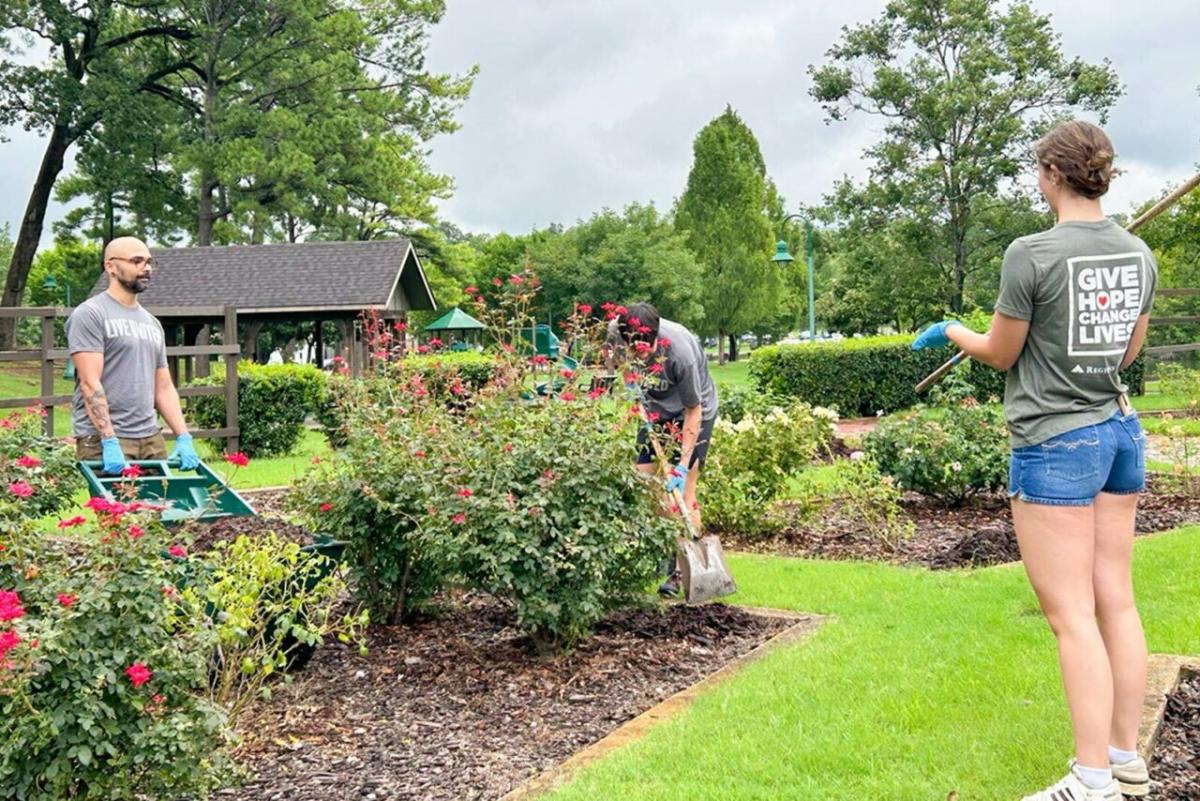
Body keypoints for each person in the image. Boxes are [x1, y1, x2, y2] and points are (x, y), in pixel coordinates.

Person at [913, 121, 1156, 801]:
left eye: (1037, 170)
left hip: (1056, 442)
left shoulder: (1031, 253)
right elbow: (1127, 356)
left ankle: (1092, 779)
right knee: (1117, 600)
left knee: (1072, 614)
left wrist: (951, 330)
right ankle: (1124, 756)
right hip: (1120, 435)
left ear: (1052, 173)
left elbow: (1000, 352)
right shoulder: (1140, 255)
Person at [609, 303, 719, 597]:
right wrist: (630, 384)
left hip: (694, 412)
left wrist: (682, 465)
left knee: (684, 493)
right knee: (645, 481)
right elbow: (621, 364)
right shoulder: (616, 333)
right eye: (636, 349)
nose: (641, 354)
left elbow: (694, 410)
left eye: (647, 348)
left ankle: (684, 571)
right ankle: (669, 554)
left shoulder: (680, 354)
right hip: (653, 410)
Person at [68, 236, 201, 474]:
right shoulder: (90, 314)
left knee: (161, 510)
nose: (146, 268)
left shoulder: (151, 323)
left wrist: (183, 436)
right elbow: (90, 383)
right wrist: (108, 440)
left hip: (150, 436)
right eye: (137, 261)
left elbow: (163, 387)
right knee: (118, 512)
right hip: (105, 439)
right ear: (110, 266)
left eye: (150, 262)